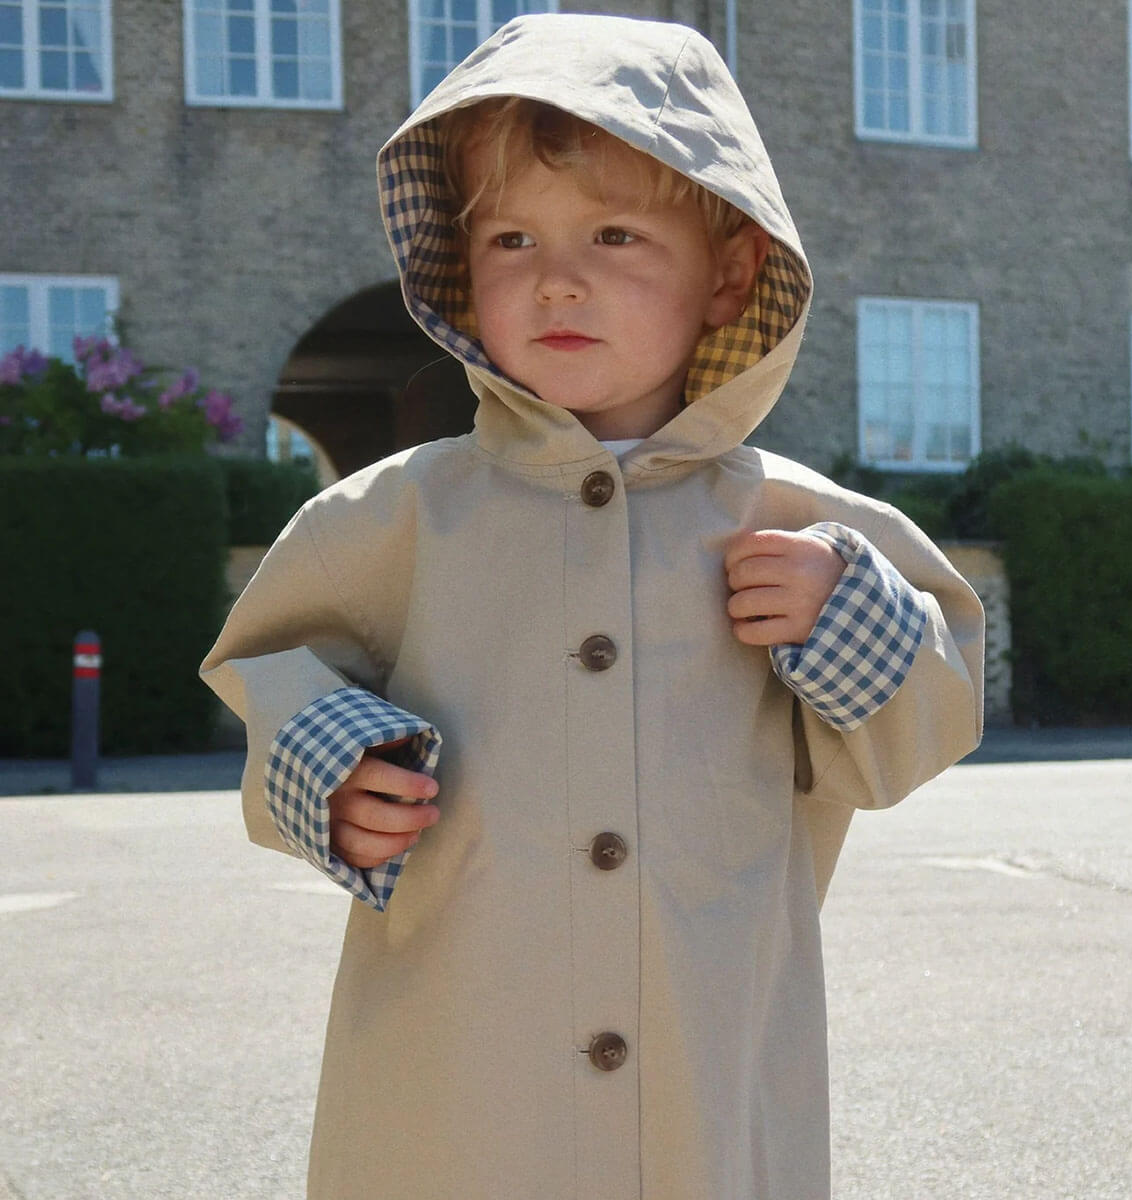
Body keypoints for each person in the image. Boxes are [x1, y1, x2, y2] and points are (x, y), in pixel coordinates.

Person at [200, 13, 984, 1200]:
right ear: (461, 267)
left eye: (614, 234)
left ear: (730, 275)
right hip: (461, 1078)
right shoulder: (393, 519)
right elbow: (267, 672)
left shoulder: (802, 528)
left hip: (704, 1066)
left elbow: (920, 731)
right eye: (511, 238)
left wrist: (849, 619)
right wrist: (333, 779)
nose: (555, 277)